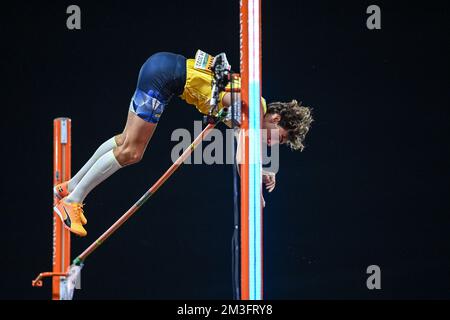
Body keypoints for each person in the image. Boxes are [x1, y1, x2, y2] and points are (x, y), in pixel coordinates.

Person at [53, 50, 313, 237]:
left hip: (163, 69)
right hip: (165, 77)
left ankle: (70, 186)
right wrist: (256, 190)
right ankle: (73, 201)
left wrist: (258, 175)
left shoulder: (249, 116)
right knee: (132, 152)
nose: (273, 144)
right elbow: (244, 148)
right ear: (276, 118)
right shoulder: (255, 107)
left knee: (124, 141)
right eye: (278, 137)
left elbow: (240, 157)